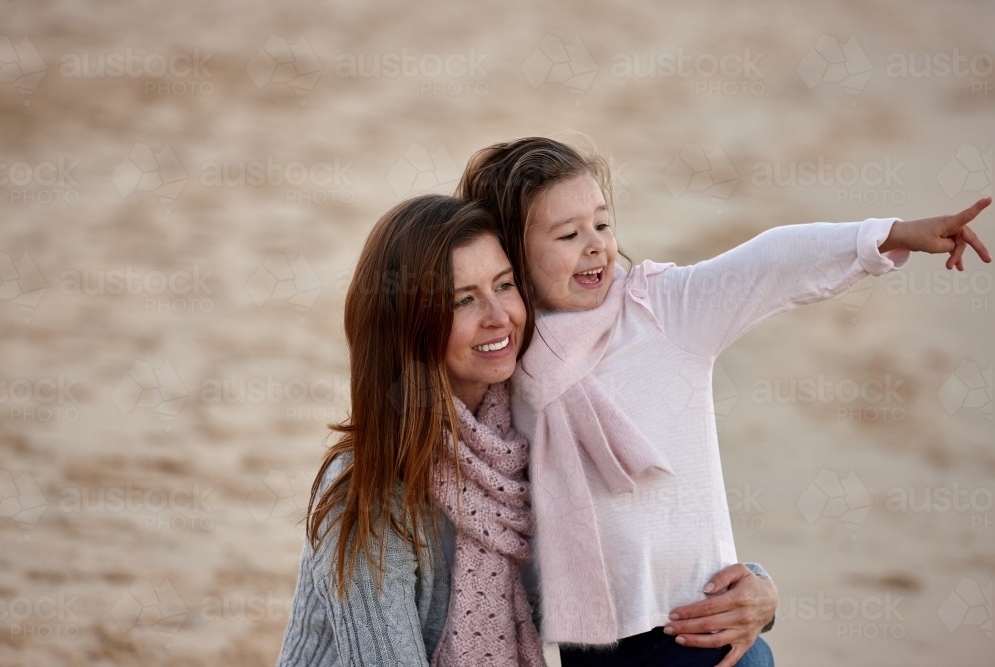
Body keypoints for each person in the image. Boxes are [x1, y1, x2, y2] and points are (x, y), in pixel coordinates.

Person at [457, 136, 991, 667]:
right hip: (587, 646)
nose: (595, 244)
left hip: (700, 633)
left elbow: (769, 263)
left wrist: (890, 235)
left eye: (602, 223)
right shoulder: (501, 355)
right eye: (568, 234)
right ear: (510, 253)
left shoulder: (660, 309)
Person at [275, 195, 546, 666]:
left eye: (504, 285)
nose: (499, 317)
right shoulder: (370, 493)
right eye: (463, 299)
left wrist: (719, 604)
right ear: (410, 325)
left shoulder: (524, 447)